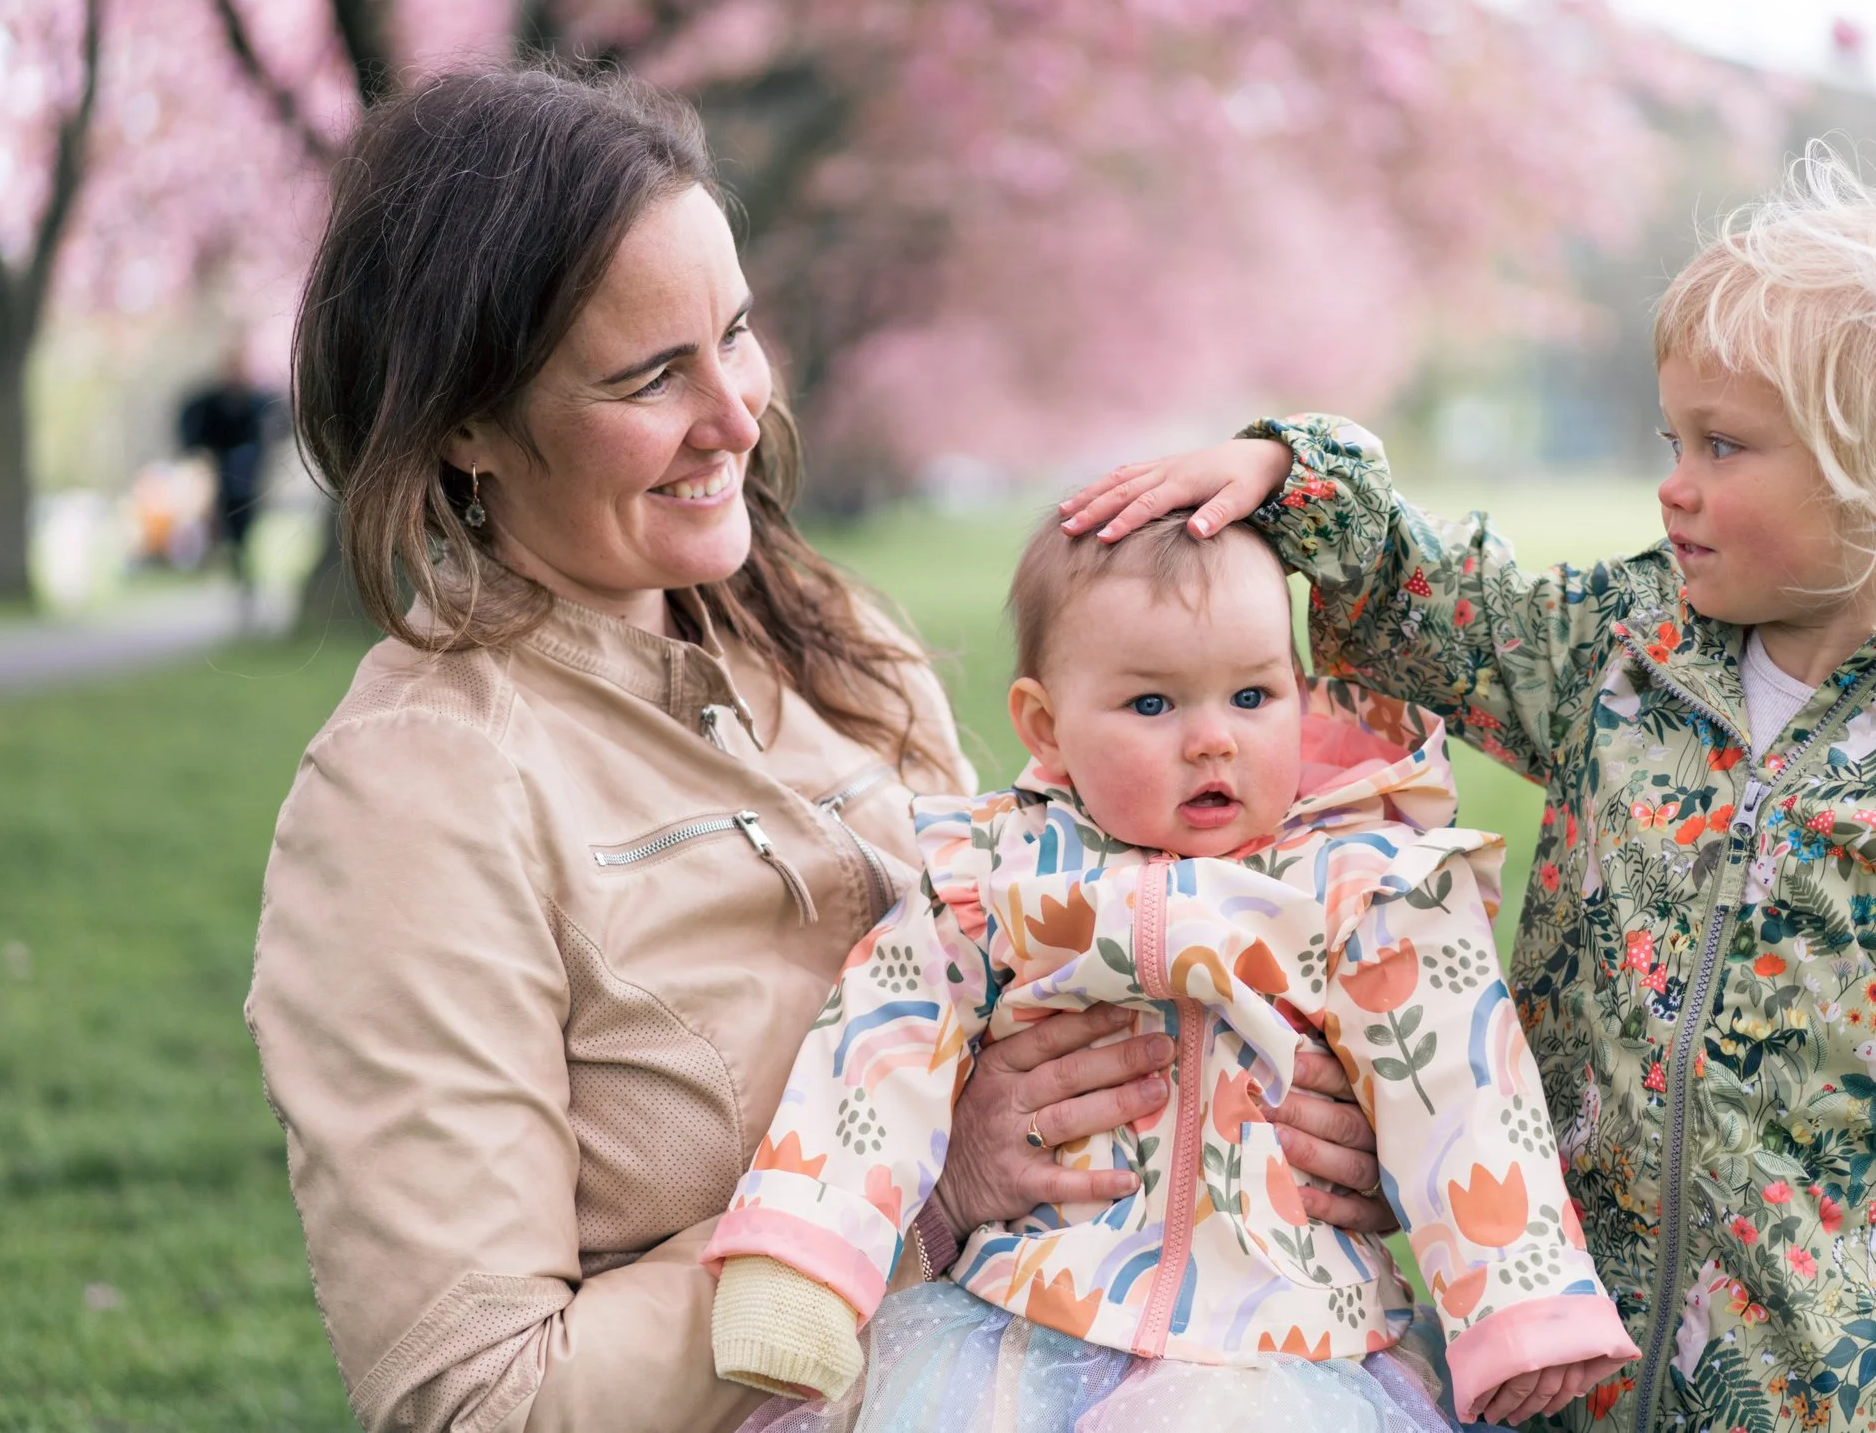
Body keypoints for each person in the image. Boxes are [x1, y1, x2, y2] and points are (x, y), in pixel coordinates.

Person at [246, 65, 1390, 1433]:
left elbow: (1043, 954)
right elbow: (472, 1394)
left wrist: (1299, 1122)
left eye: (733, 332)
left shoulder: (829, 634)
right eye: (647, 375)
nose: (734, 411)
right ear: (470, 427)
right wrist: (910, 1195)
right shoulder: (416, 797)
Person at [1062, 157, 1876, 1433]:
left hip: (1849, 1401)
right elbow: (1431, 601)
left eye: (1723, 446)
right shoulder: (1622, 654)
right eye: (1675, 438)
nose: (1673, 481)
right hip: (1561, 1366)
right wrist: (1298, 474)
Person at [699, 511, 1640, 1432]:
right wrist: (809, 1247)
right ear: (1047, 725)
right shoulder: (1002, 868)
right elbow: (879, 1040)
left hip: (1284, 1349)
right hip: (1025, 1318)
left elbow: (1463, 1081)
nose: (1211, 738)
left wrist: (1521, 1302)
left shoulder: (1364, 882)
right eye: (1153, 703)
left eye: (1252, 695)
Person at [176, 340, 280, 603]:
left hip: (248, 481)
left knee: (243, 532)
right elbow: (193, 428)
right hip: (224, 480)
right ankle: (235, 571)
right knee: (231, 531)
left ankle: (242, 574)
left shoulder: (255, 402)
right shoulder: (212, 404)